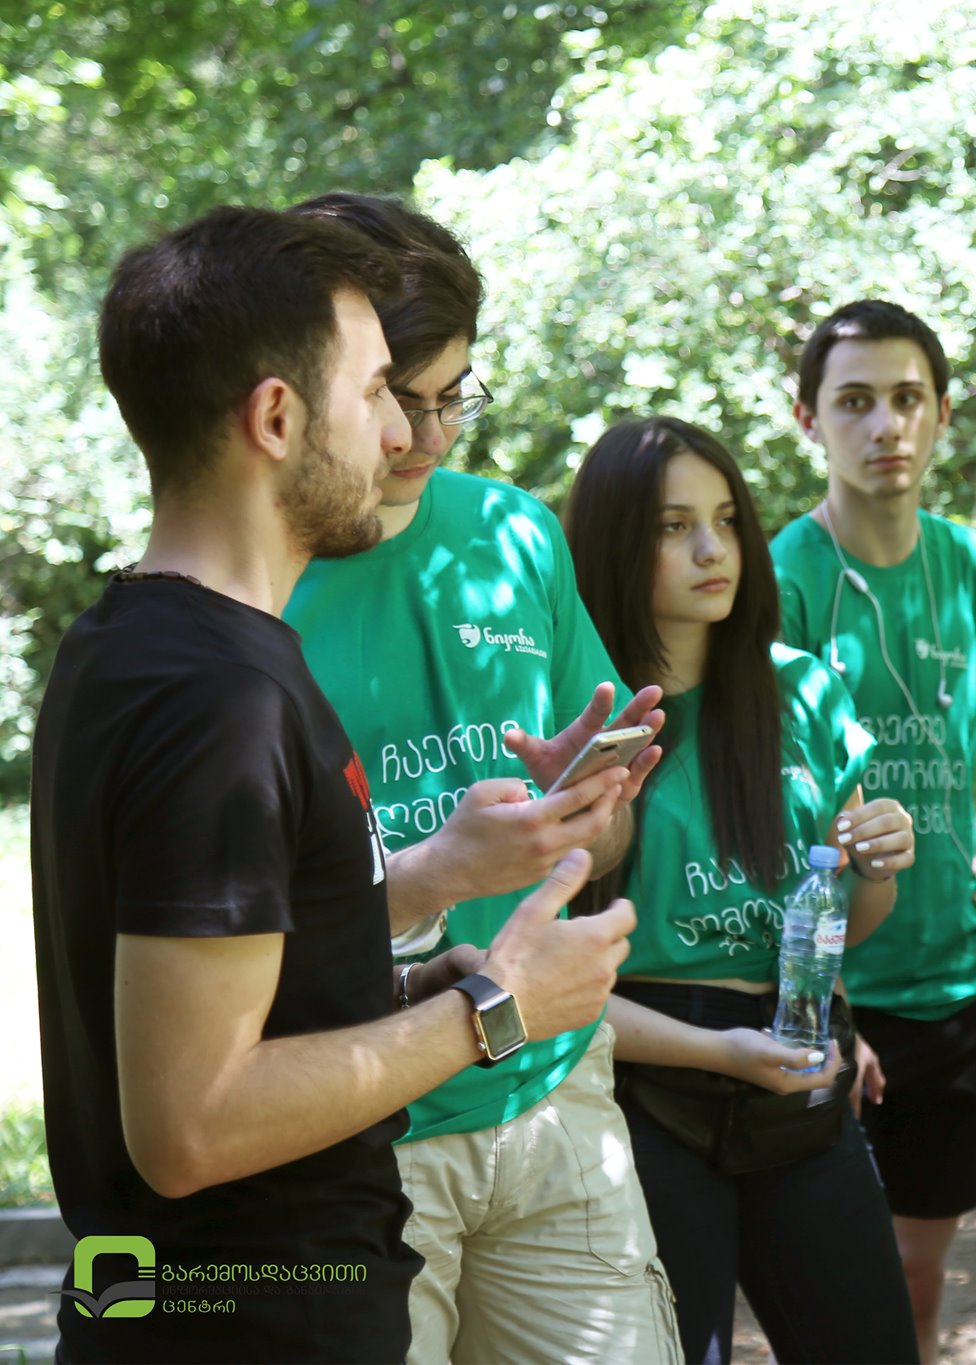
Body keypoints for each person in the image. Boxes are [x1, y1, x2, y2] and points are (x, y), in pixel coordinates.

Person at [31, 205, 633, 1364]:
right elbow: (190, 1126)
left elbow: (223, 996)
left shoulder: (141, 647)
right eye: (375, 394)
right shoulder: (219, 699)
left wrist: (402, 956)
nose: (405, 434)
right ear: (276, 418)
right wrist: (495, 1007)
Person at [280, 193, 680, 1363]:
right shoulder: (248, 585)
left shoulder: (515, 534)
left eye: (454, 394)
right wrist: (434, 872)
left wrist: (582, 813)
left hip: (553, 1096)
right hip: (357, 1124)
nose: (430, 436)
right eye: (397, 399)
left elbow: (599, 847)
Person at [560, 414, 921, 1364]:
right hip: (642, 1087)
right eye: (673, 526)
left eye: (726, 519)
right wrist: (719, 1050)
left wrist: (875, 865)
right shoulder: (580, 720)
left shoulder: (803, 690)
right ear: (614, 542)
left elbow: (850, 924)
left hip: (796, 1068)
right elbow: (551, 983)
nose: (713, 549)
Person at [769, 299, 976, 1361]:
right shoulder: (780, 579)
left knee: (917, 1269)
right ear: (808, 418)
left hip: (957, 976)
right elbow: (760, 789)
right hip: (834, 982)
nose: (885, 425)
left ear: (941, 413)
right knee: (827, 1274)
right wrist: (826, 989)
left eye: (906, 399)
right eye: (854, 402)